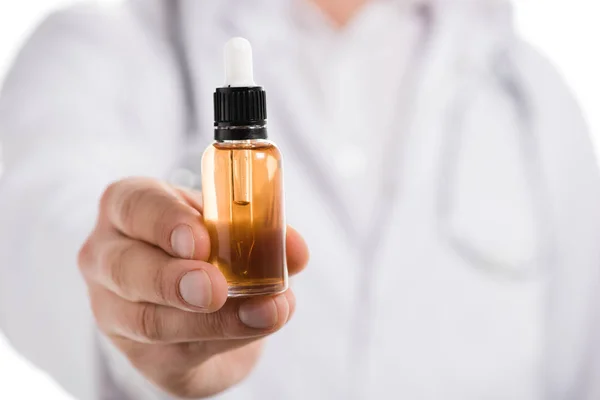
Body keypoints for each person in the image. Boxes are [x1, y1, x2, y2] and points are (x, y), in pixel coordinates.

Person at [1, 0, 599, 399]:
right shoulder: (106, 41)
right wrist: (130, 297)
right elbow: (34, 237)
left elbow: (581, 365)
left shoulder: (529, 90)